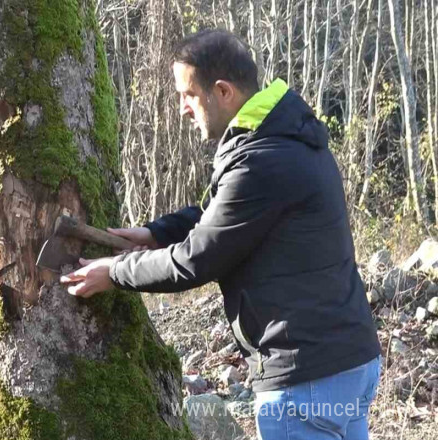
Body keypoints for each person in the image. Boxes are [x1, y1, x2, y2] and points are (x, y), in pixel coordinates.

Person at [61, 29, 382, 440]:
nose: (182, 110)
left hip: (304, 377)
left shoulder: (261, 160)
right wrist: (154, 233)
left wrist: (115, 271)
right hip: (349, 363)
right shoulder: (287, 138)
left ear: (223, 91)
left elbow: (197, 259)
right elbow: (227, 213)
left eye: (188, 95)